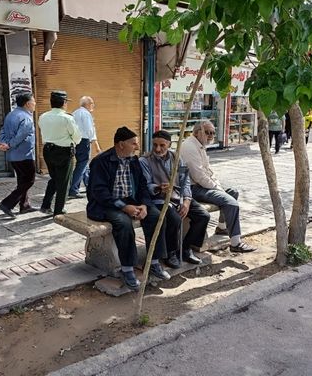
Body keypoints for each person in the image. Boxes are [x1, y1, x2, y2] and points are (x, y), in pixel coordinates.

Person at [87, 126, 170, 291]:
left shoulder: (133, 160)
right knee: (123, 223)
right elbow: (99, 193)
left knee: (155, 216)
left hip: (131, 201)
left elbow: (142, 187)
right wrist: (124, 207)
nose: (137, 147)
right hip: (107, 204)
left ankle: (153, 261)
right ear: (121, 144)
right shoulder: (100, 162)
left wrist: (145, 205)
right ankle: (127, 268)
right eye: (134, 144)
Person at [181, 120, 256, 253]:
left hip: (202, 185)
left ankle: (222, 227)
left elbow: (208, 171)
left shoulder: (200, 145)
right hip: (194, 188)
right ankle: (235, 243)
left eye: (213, 133)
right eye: (208, 132)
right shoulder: (189, 147)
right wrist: (217, 189)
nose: (211, 136)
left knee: (233, 192)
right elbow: (199, 176)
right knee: (232, 203)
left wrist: (218, 185)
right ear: (197, 132)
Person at [140, 130, 208, 268]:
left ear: (169, 144)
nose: (158, 149)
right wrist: (158, 187)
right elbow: (145, 185)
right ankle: (171, 253)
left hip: (178, 196)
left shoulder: (176, 157)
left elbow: (185, 181)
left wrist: (187, 200)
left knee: (203, 216)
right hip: (158, 199)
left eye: (162, 145)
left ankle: (186, 248)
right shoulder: (144, 160)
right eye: (155, 145)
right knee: (174, 219)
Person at [38, 90, 81, 216]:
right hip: (64, 151)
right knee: (64, 182)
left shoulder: (43, 116)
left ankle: (45, 205)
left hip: (48, 150)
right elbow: (77, 137)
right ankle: (59, 210)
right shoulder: (67, 118)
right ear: (64, 103)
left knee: (55, 178)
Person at [0, 93, 37, 219]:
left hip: (13, 155)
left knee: (22, 180)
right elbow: (21, 136)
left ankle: (24, 205)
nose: (35, 104)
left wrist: (3, 143)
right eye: (33, 101)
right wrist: (9, 145)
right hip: (24, 154)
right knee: (29, 180)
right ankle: (7, 204)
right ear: (27, 103)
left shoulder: (11, 114)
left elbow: (3, 130)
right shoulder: (26, 118)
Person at [68, 96, 102, 199]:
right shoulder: (86, 114)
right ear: (88, 104)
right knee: (82, 165)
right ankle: (73, 189)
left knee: (84, 164)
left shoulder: (75, 112)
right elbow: (90, 130)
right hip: (84, 141)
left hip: (77, 141)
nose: (93, 106)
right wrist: (96, 144)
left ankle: (89, 185)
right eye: (92, 103)